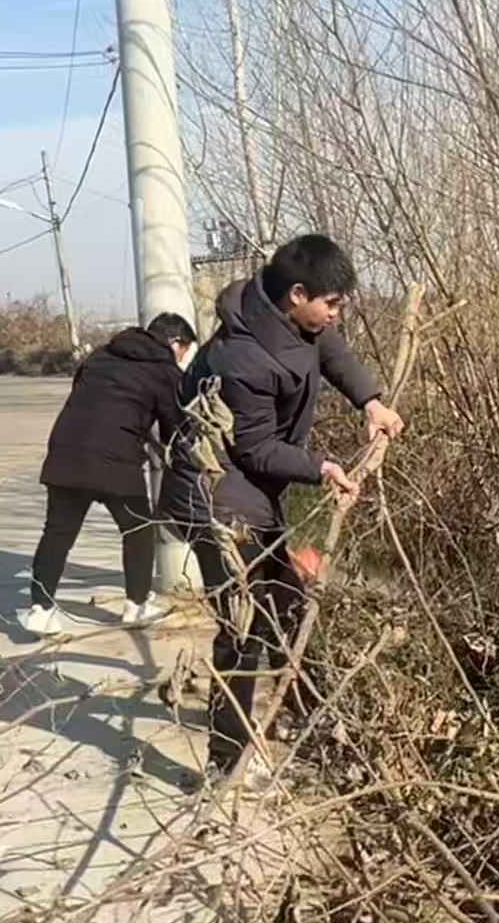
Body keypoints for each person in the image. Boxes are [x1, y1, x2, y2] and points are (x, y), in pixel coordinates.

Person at [159, 234, 402, 778]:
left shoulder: (290, 320)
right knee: (243, 626)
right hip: (215, 497)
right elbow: (257, 448)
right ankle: (226, 763)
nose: (336, 314)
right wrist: (322, 468)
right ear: (297, 294)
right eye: (331, 303)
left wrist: (371, 402)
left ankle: (311, 718)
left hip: (250, 489)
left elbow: (329, 349)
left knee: (288, 605)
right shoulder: (242, 356)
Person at [20, 312, 200, 637]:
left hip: (66, 452)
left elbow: (84, 393)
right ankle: (136, 605)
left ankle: (40, 610)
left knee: (57, 533)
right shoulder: (164, 371)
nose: (183, 358)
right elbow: (175, 428)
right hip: (116, 460)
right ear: (175, 342)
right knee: (138, 529)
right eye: (185, 351)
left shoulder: (101, 355)